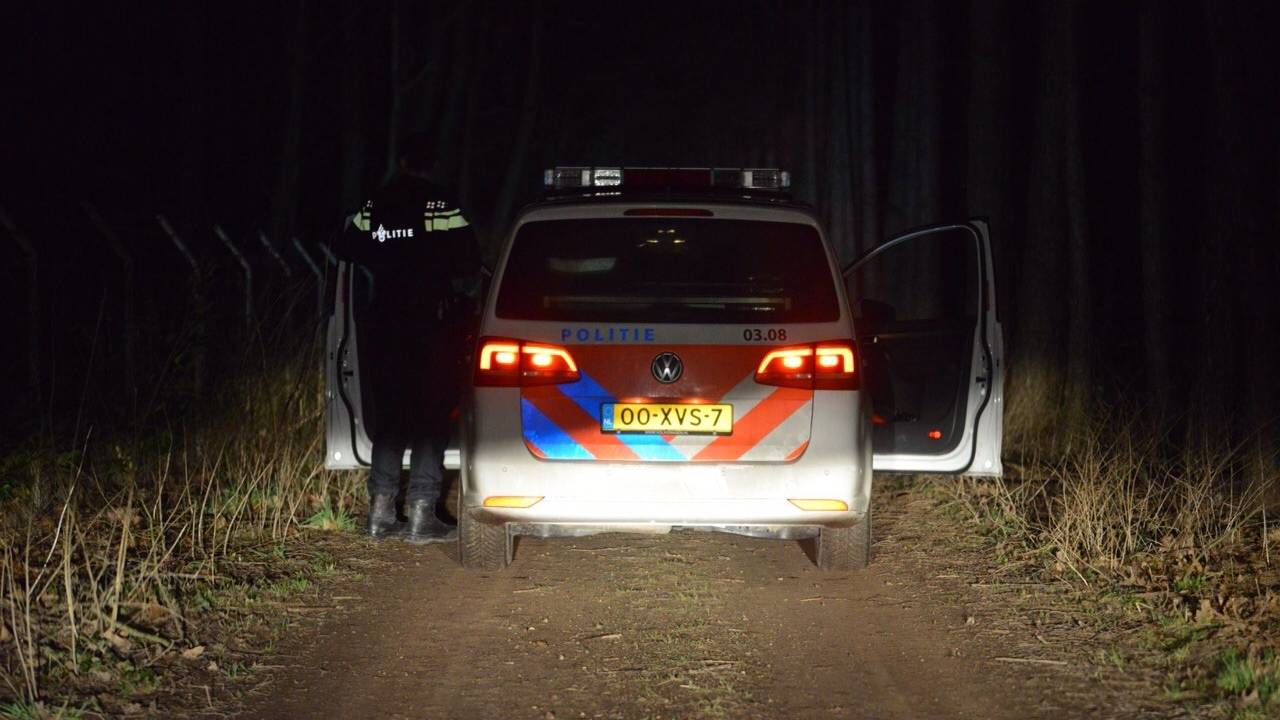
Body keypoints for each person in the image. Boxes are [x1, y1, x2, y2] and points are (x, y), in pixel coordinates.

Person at [336, 132, 480, 543]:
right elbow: (469, 259)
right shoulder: (441, 205)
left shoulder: (374, 204)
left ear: (401, 163)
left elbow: (346, 247)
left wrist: (388, 258)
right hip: (431, 323)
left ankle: (379, 514)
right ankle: (421, 513)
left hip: (385, 322)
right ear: (431, 165)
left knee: (392, 418)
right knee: (431, 417)